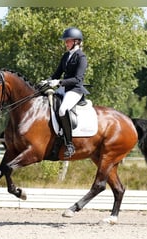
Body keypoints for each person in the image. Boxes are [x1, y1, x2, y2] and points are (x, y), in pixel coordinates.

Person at [46, 27, 90, 158]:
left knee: (62, 110)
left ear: (76, 42)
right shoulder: (66, 56)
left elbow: (78, 79)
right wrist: (47, 81)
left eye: (68, 41)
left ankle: (69, 144)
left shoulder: (81, 57)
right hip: (63, 89)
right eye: (66, 41)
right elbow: (57, 74)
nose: (66, 43)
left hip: (75, 90)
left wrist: (59, 82)